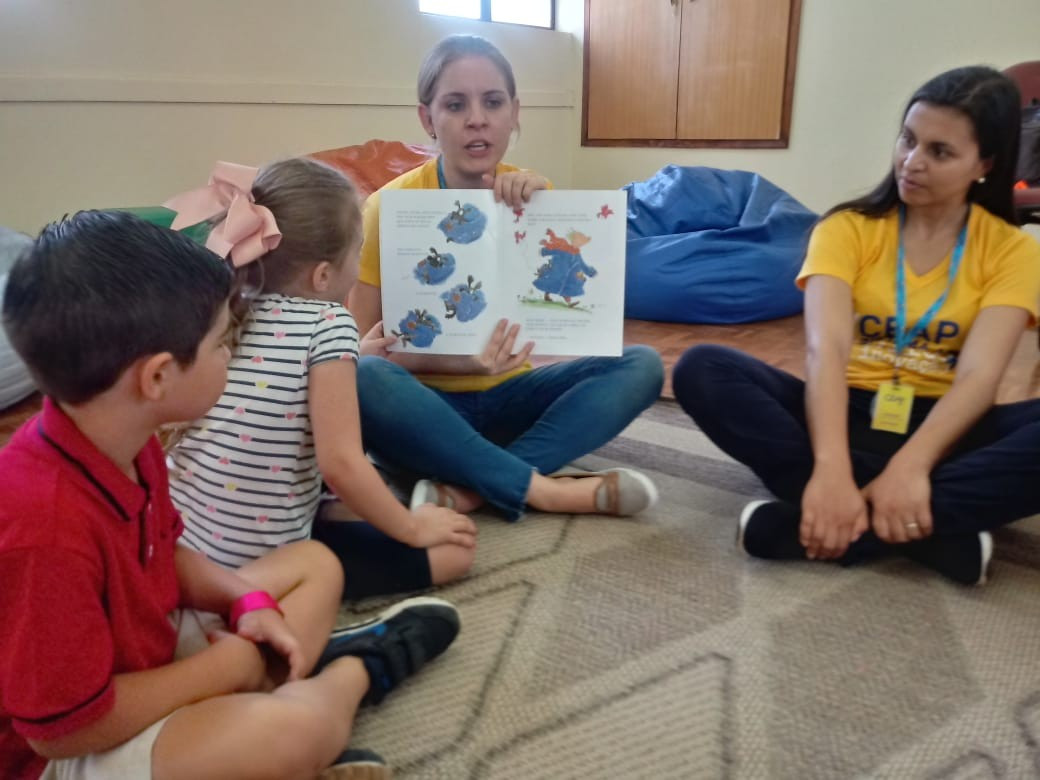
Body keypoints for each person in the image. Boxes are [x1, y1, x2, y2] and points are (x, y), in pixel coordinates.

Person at [0, 210, 462, 780]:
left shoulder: (123, 435)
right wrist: (229, 667)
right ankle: (355, 673)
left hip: (146, 653)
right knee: (290, 734)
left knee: (315, 564)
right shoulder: (40, 526)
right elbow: (63, 732)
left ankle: (277, 705)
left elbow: (165, 553)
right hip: (76, 747)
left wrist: (245, 601)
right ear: (157, 378)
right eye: (223, 343)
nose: (230, 354)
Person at [673, 65, 1040, 586]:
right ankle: (927, 528)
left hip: (946, 430)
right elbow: (826, 351)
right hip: (840, 412)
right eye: (908, 139)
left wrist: (911, 467)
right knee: (702, 368)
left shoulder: (1013, 251)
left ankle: (818, 523)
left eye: (940, 152)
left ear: (985, 164)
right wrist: (830, 468)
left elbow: (979, 378)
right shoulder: (845, 228)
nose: (912, 162)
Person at [348, 34, 664, 522]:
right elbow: (353, 354)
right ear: (428, 118)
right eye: (456, 104)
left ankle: (474, 489)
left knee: (642, 365)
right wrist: (456, 362)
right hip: (424, 412)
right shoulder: (384, 209)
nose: (477, 118)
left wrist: (544, 208)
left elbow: (557, 310)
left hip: (512, 401)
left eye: (493, 102)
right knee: (366, 378)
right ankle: (545, 490)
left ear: (514, 113)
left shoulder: (536, 196)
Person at [163, 158, 478, 599]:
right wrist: (412, 527)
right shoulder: (329, 322)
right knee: (454, 553)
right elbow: (341, 464)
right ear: (324, 275)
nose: (359, 266)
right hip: (250, 566)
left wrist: (353, 357)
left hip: (182, 550)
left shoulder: (226, 307)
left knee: (357, 503)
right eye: (358, 251)